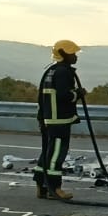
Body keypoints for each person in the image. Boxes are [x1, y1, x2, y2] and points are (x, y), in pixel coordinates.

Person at [34, 40, 85, 200]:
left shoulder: (51, 71)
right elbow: (64, 96)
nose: (75, 56)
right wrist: (78, 93)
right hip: (59, 121)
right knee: (56, 155)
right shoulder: (64, 72)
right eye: (73, 53)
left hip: (48, 120)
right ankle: (54, 188)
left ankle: (41, 186)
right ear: (64, 54)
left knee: (47, 153)